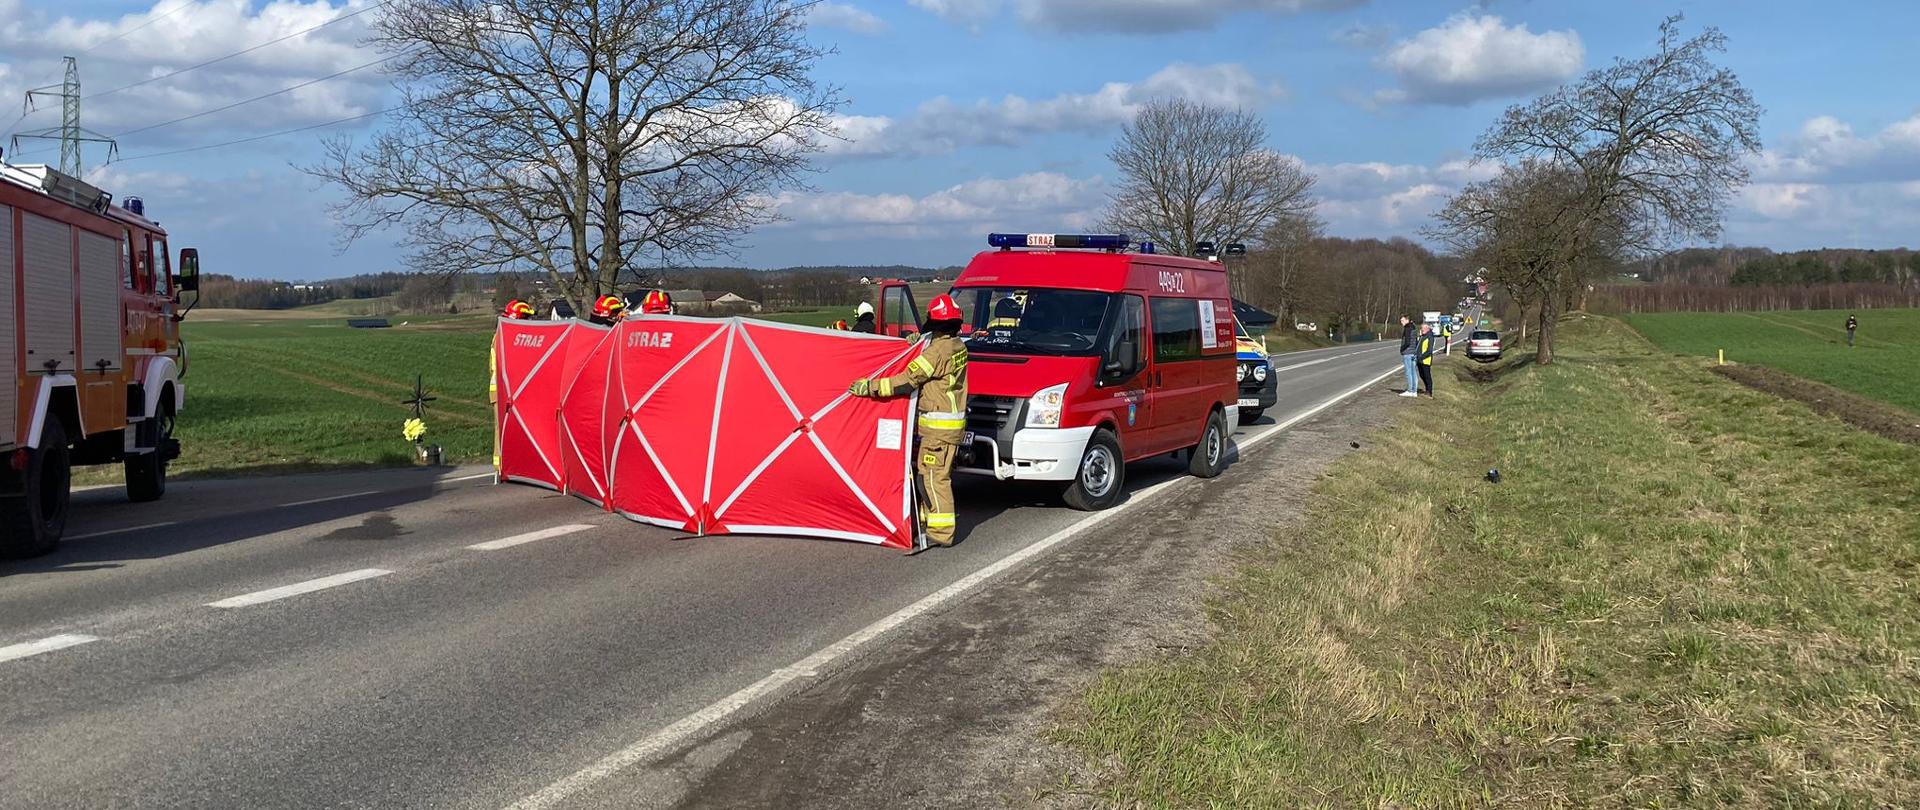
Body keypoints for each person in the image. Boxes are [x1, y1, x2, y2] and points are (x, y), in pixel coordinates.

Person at [848, 294, 968, 548]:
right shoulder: (956, 345)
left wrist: (870, 387)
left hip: (938, 428)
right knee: (928, 474)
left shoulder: (937, 352)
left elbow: (907, 381)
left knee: (934, 477)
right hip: (948, 426)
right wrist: (919, 343)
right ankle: (928, 521)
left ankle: (942, 532)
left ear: (934, 323)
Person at [1398, 314, 1420, 397]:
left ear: (1407, 320)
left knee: (1408, 372)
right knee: (1413, 372)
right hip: (1413, 352)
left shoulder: (1407, 328)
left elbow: (1407, 341)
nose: (1401, 322)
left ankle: (1410, 390)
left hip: (1407, 352)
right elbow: (1415, 341)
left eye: (1402, 320)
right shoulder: (1414, 327)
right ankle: (1414, 391)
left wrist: (1402, 349)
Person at [1416, 322, 1436, 397]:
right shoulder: (1422, 336)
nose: (1422, 329)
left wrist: (1421, 357)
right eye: (1421, 328)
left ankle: (1429, 391)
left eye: (1423, 328)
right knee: (1422, 375)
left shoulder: (1430, 337)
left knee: (1427, 376)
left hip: (1425, 360)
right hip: (1419, 360)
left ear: (1428, 328)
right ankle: (1427, 389)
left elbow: (1429, 351)